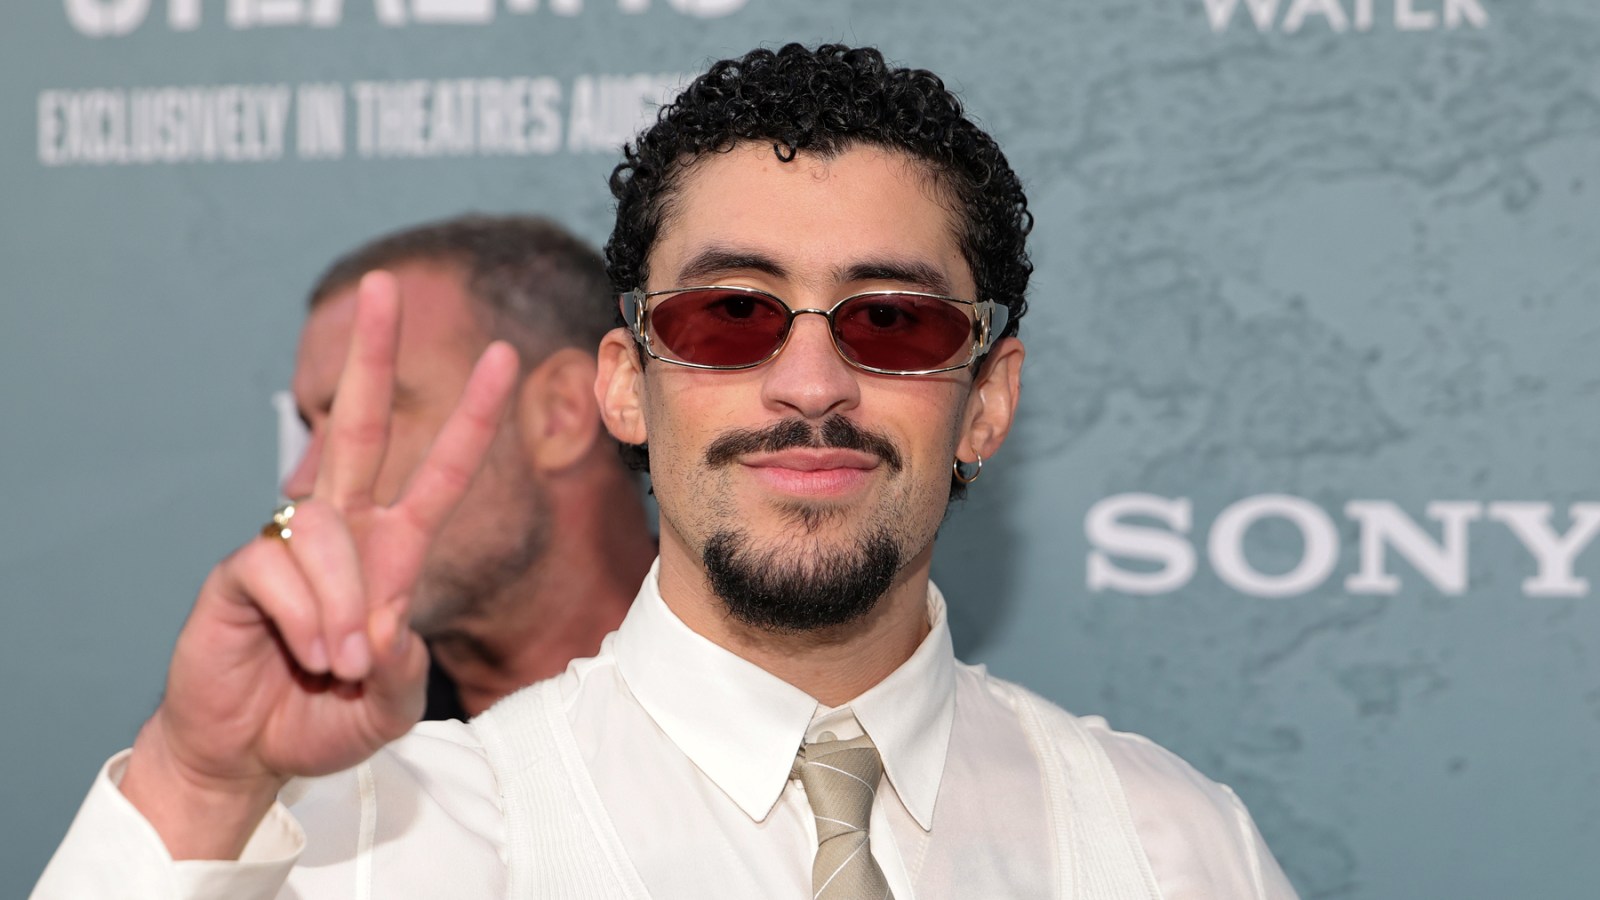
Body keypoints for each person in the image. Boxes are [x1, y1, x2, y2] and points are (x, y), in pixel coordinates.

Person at [35, 45, 1298, 899]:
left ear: (989, 400)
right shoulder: (383, 840)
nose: (811, 384)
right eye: (730, 315)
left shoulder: (1173, 849)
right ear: (624, 385)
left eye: (891, 321)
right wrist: (197, 786)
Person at [281, 214, 653, 718]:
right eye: (311, 428)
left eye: (364, 413)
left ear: (561, 414)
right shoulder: (323, 735)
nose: (300, 482)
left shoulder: (758, 694)